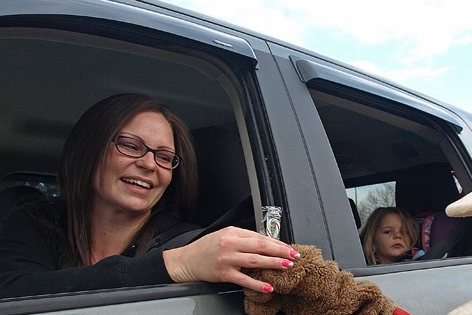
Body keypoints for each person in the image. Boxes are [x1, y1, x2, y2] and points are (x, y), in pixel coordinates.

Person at [0, 93, 296, 299]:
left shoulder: (197, 246)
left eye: (165, 157)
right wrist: (171, 266)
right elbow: (12, 293)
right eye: (130, 145)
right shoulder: (36, 221)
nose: (149, 164)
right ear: (88, 149)